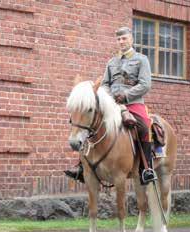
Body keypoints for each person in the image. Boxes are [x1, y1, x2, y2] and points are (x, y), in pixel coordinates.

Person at [64, 26, 156, 185]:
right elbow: (105, 84)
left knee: (144, 126)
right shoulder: (112, 62)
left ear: (131, 39)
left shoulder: (141, 59)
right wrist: (105, 96)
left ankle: (145, 168)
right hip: (112, 103)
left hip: (133, 103)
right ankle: (81, 166)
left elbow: (145, 84)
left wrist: (126, 95)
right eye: (119, 39)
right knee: (91, 123)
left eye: (124, 38)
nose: (121, 42)